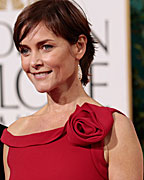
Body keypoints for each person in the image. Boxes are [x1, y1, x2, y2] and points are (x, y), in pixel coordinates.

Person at [1, 0, 143, 179]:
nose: (34, 62)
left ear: (79, 46)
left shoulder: (115, 127)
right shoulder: (14, 137)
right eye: (25, 50)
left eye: (46, 47)